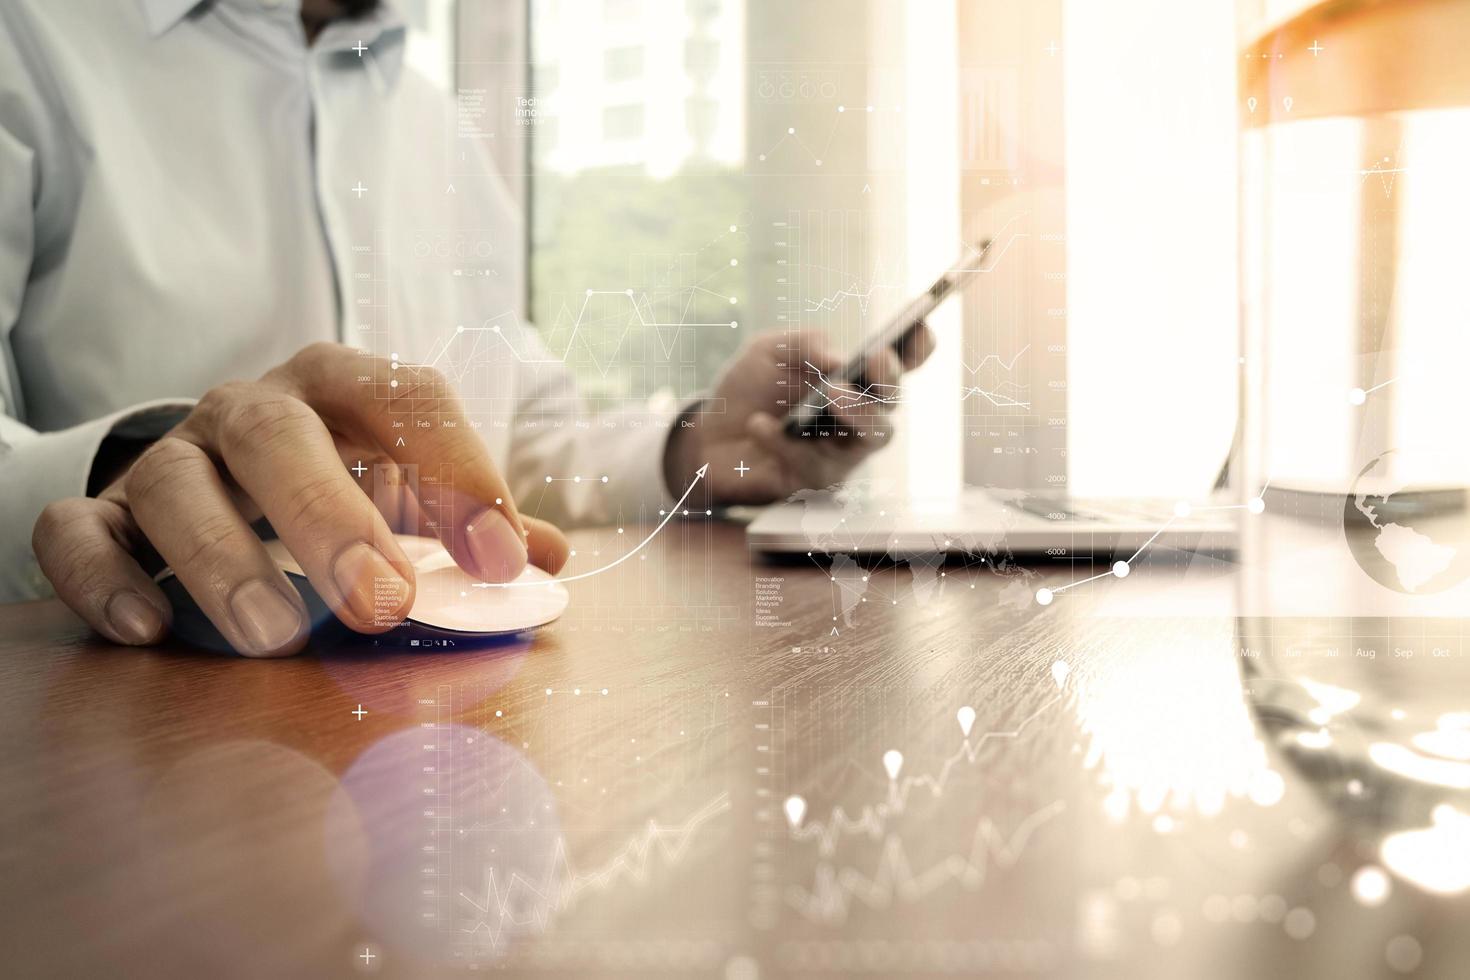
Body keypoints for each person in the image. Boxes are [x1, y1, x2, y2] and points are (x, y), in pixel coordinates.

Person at [0, 0, 932, 656]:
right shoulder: (26, 45)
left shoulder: (428, 118)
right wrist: (126, 470)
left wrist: (693, 447)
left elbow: (516, 443)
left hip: (434, 721)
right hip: (145, 733)